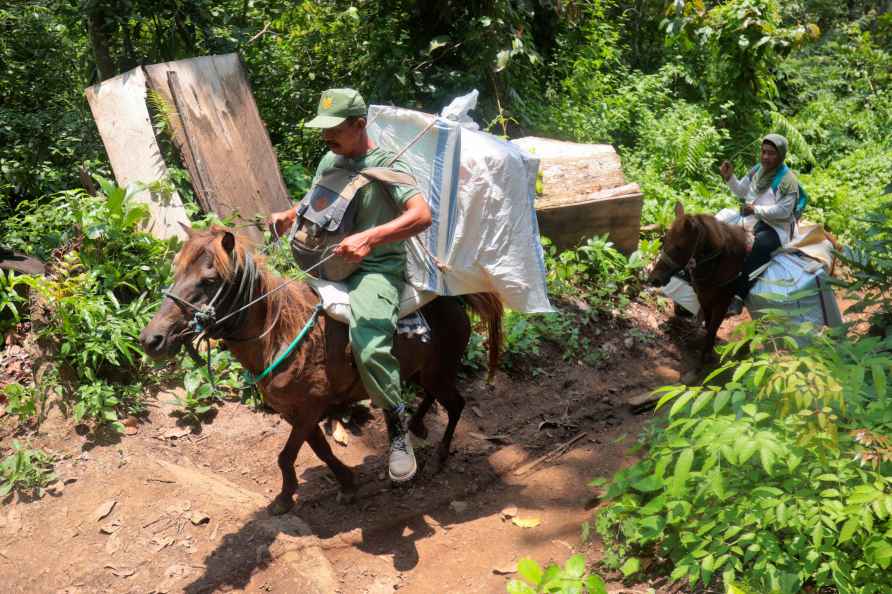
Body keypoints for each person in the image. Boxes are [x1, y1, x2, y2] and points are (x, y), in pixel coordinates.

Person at [268, 88, 432, 482]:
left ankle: (397, 431)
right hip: (327, 260)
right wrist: (291, 213)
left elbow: (421, 215)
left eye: (334, 130)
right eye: (323, 131)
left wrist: (370, 238)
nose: (326, 138)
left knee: (370, 343)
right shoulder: (331, 157)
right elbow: (317, 197)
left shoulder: (389, 165)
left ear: (359, 125)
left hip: (374, 267)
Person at [719, 134, 798, 316]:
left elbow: (784, 211)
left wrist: (755, 210)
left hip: (777, 227)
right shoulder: (757, 170)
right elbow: (742, 191)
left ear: (781, 155)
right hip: (754, 218)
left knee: (760, 245)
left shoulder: (788, 180)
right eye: (763, 152)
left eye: (771, 153)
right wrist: (730, 177)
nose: (765, 157)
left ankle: (739, 296)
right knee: (721, 228)